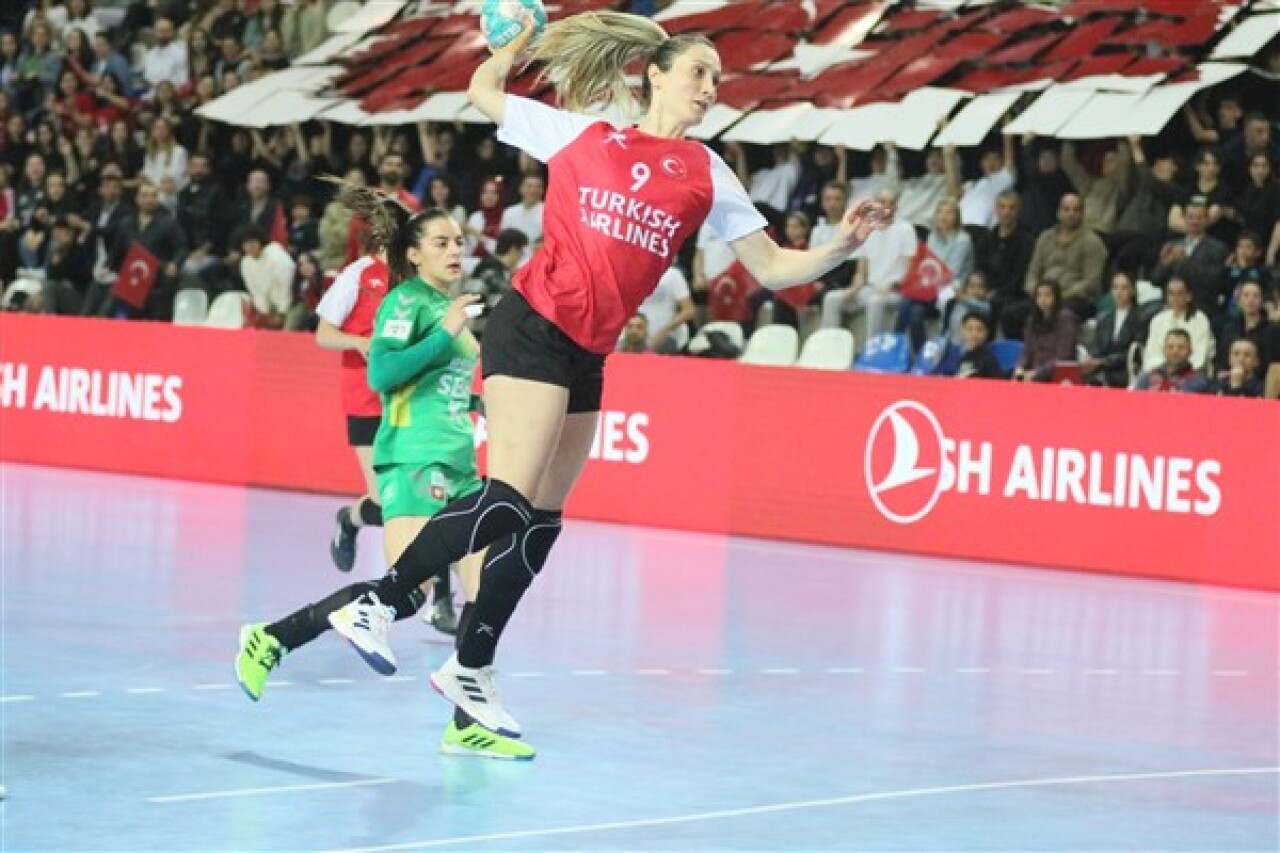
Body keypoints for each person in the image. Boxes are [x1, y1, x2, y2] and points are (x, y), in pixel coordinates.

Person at [322, 10, 890, 738]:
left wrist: (842, 245)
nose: (710, 88)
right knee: (507, 500)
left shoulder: (706, 172)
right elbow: (482, 92)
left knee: (542, 522)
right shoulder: (584, 135)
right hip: (531, 325)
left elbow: (774, 267)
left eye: (718, 79)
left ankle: (471, 667)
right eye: (698, 73)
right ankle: (377, 601)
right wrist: (511, 50)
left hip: (588, 351)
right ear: (655, 75)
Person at [234, 197, 510, 757]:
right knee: (405, 594)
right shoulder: (406, 301)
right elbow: (382, 373)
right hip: (413, 458)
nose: (455, 250)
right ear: (413, 253)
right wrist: (445, 333)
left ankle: (466, 723)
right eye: (441, 242)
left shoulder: (448, 305)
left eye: (459, 242)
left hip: (459, 465)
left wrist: (481, 402)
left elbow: (447, 385)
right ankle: (270, 638)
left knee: (486, 595)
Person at [1082, 271, 1142, 389]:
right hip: (1102, 370)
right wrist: (1090, 358)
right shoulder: (1105, 318)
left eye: (1124, 288)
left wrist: (1103, 361)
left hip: (1125, 370)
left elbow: (1134, 352)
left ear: (1133, 291)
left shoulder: (1140, 317)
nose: (1119, 292)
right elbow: (1097, 346)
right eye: (1115, 287)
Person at [1014, 279, 1077, 382]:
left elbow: (1063, 356)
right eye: (1039, 295)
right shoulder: (1032, 320)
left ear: (1056, 297)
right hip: (1033, 371)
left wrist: (1037, 373)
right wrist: (1020, 367)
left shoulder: (1066, 318)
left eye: (1048, 295)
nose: (1042, 299)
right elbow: (1026, 351)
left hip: (1056, 373)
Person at [1133, 329, 1211, 393]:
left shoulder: (1199, 382)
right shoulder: (1147, 378)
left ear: (1190, 351)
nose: (1175, 351)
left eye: (1181, 347)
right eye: (1170, 347)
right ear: (1163, 350)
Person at [954, 311, 1003, 379]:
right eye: (969, 329)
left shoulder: (989, 360)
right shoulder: (963, 357)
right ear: (963, 330)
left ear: (986, 333)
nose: (974, 334)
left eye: (979, 330)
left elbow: (998, 383)